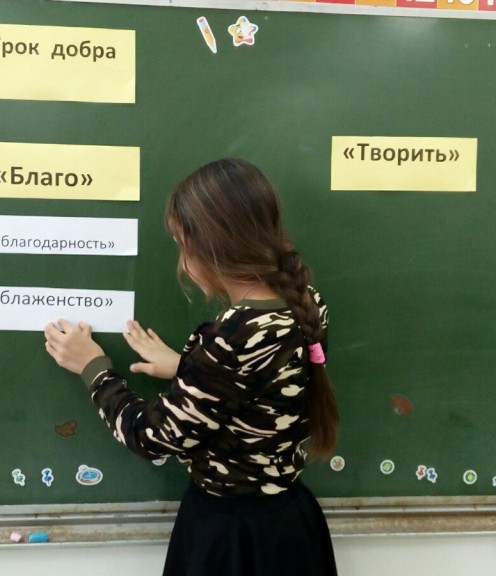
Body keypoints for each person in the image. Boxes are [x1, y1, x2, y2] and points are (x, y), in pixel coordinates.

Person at [44, 157, 339, 576]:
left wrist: (92, 366)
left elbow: (151, 437)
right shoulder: (305, 300)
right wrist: (189, 369)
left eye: (183, 245)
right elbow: (260, 386)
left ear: (212, 245)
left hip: (232, 537)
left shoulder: (231, 337)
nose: (183, 262)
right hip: (290, 526)